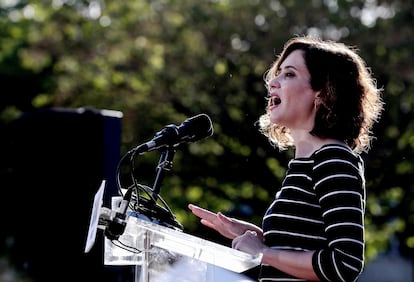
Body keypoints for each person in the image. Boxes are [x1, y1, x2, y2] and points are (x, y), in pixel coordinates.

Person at [188, 35, 384, 282]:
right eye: (277, 74)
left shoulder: (334, 161)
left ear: (322, 93)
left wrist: (264, 252)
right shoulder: (305, 164)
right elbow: (301, 246)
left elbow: (344, 263)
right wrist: (254, 235)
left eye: (289, 74)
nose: (273, 83)